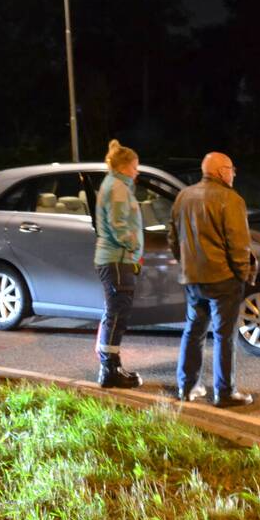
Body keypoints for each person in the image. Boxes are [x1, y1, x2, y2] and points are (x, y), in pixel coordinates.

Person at [168, 152, 257, 408]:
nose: (234, 173)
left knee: (193, 331)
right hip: (223, 279)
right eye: (231, 169)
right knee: (224, 336)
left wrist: (186, 263)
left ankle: (186, 387)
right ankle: (225, 392)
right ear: (220, 172)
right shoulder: (231, 199)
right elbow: (238, 244)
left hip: (193, 278)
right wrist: (242, 274)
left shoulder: (183, 196)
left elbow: (173, 237)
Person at [93, 139, 145, 389]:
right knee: (117, 315)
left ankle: (112, 366)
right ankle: (109, 370)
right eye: (135, 166)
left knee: (115, 313)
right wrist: (133, 245)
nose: (137, 171)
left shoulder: (115, 185)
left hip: (117, 259)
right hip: (117, 259)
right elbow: (119, 226)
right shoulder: (118, 188)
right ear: (125, 166)